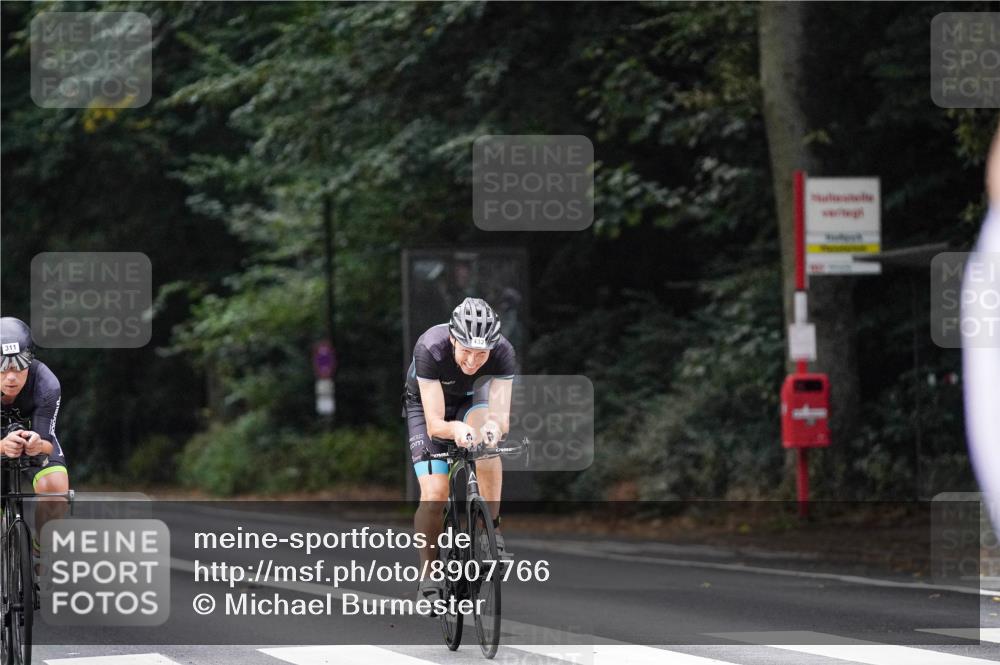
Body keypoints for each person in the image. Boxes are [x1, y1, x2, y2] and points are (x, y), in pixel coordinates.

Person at [404, 297, 516, 601]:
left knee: (488, 445)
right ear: (453, 339)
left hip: (470, 400)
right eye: (466, 351)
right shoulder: (430, 347)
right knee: (435, 494)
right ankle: (429, 574)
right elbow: (436, 424)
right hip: (428, 407)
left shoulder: (503, 351)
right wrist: (456, 429)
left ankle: (490, 532)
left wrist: (492, 428)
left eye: (481, 355)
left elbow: (500, 415)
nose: (471, 361)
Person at [1, 316, 71, 552]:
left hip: (33, 438)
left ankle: (40, 552)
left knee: (56, 491)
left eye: (19, 365)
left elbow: (47, 444)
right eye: (1, 366)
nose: (11, 376)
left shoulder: (46, 384)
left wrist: (37, 444)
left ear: (30, 362)